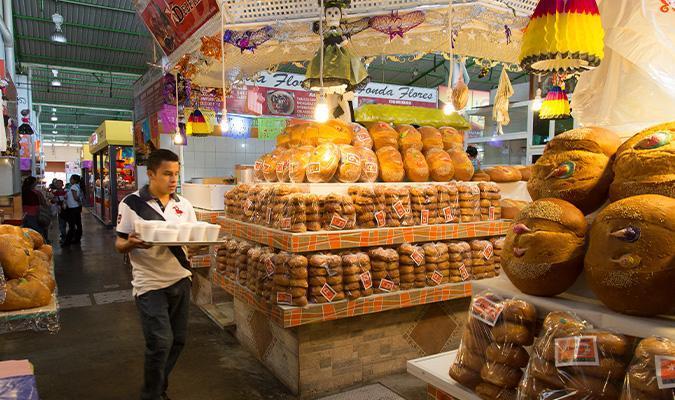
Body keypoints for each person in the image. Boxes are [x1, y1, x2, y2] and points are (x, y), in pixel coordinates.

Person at [115, 149, 197, 400]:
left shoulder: (183, 205)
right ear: (150, 174)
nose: (173, 180)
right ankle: (151, 394)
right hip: (149, 284)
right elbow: (119, 243)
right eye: (167, 174)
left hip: (180, 279)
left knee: (178, 341)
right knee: (160, 342)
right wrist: (132, 244)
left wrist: (202, 244)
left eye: (176, 174)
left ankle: (158, 387)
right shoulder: (131, 203)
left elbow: (191, 240)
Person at [63, 174, 83, 246]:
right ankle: (77, 239)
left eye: (71, 179)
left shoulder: (74, 187)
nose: (70, 180)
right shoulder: (77, 186)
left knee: (72, 226)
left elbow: (75, 198)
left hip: (73, 209)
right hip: (76, 208)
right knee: (78, 224)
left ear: (74, 180)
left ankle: (67, 242)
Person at [51, 180, 68, 244]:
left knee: (65, 224)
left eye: (59, 183)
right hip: (60, 211)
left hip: (67, 210)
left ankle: (65, 237)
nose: (58, 185)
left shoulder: (66, 192)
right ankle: (64, 237)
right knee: (62, 224)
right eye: (57, 184)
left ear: (62, 184)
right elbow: (53, 202)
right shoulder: (54, 193)